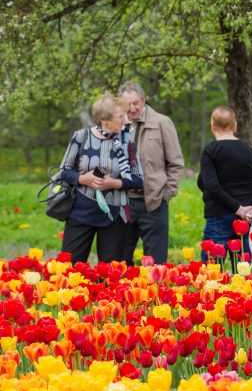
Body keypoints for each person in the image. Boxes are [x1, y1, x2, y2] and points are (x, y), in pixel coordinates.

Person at [59, 94, 143, 263]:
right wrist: (83, 179)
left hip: (115, 215)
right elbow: (64, 171)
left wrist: (114, 183)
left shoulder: (127, 140)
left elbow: (139, 179)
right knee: (69, 269)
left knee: (110, 276)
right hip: (80, 213)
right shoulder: (81, 137)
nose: (124, 120)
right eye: (120, 117)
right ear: (105, 119)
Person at [119, 82, 184, 265]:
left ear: (143, 100)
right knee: (121, 262)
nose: (131, 108)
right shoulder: (117, 125)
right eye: (127, 104)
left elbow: (176, 163)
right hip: (124, 202)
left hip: (153, 202)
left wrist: (166, 194)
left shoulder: (162, 122)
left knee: (156, 265)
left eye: (135, 103)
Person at [197, 106, 252, 266]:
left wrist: (237, 209)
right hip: (247, 220)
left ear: (212, 126)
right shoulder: (250, 152)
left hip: (218, 216)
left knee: (213, 271)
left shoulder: (210, 151)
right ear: (235, 125)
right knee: (244, 271)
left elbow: (212, 186)